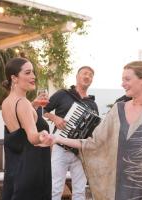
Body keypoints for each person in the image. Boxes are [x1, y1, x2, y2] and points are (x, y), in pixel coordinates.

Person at [53, 61, 142, 200]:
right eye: (122, 79)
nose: (123, 84)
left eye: (127, 79)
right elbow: (93, 143)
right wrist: (57, 139)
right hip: (122, 189)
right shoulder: (117, 110)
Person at [1, 57, 53, 200]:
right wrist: (42, 135)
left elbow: (20, 129)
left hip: (15, 168)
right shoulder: (23, 103)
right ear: (14, 78)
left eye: (33, 72)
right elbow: (32, 137)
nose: (33, 76)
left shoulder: (7, 102)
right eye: (28, 73)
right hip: (32, 169)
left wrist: (33, 105)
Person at [43, 66, 99, 200]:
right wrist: (54, 118)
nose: (87, 77)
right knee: (55, 188)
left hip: (80, 151)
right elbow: (42, 110)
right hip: (60, 147)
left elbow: (94, 129)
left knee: (80, 191)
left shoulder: (92, 104)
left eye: (91, 75)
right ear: (77, 76)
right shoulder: (63, 94)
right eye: (85, 73)